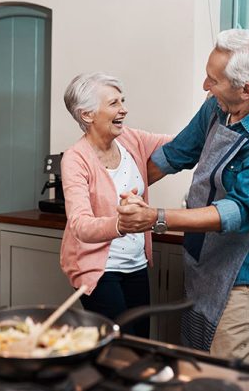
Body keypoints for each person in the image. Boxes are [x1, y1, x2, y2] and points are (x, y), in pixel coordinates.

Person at [117, 29, 249, 362]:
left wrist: (155, 218)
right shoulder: (217, 108)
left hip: (244, 271)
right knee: (194, 366)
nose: (205, 86)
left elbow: (235, 212)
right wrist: (115, 190)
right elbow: (174, 154)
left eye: (213, 80)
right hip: (202, 258)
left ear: (246, 90)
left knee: (223, 375)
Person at [59, 72, 172, 338]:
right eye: (114, 103)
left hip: (136, 264)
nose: (124, 109)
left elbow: (182, 144)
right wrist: (121, 224)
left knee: (140, 341)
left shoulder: (131, 139)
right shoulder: (75, 159)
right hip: (100, 270)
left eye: (122, 101)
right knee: (119, 345)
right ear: (87, 115)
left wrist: (211, 108)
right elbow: (79, 224)